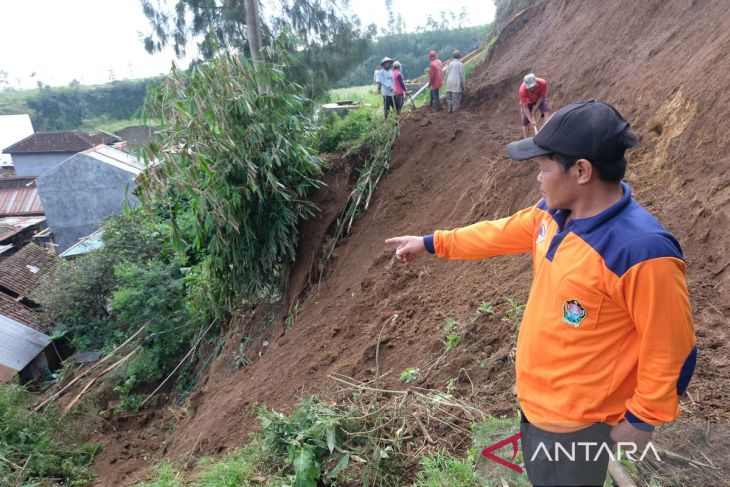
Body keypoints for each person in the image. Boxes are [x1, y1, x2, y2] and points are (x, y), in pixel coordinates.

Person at [386, 99, 697, 486]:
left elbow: (672, 347)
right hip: (537, 407)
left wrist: (642, 419)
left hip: (580, 427)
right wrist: (432, 243)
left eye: (543, 166)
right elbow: (497, 233)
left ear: (581, 170)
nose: (538, 178)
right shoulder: (552, 216)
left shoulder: (640, 250)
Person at [520, 73, 551, 137]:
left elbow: (542, 96)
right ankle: (526, 139)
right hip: (528, 102)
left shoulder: (542, 83)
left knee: (546, 111)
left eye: (533, 87)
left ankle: (548, 132)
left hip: (539, 98)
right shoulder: (522, 90)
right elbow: (525, 107)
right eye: (530, 88)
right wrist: (531, 121)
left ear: (536, 82)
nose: (532, 89)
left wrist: (535, 108)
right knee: (525, 121)